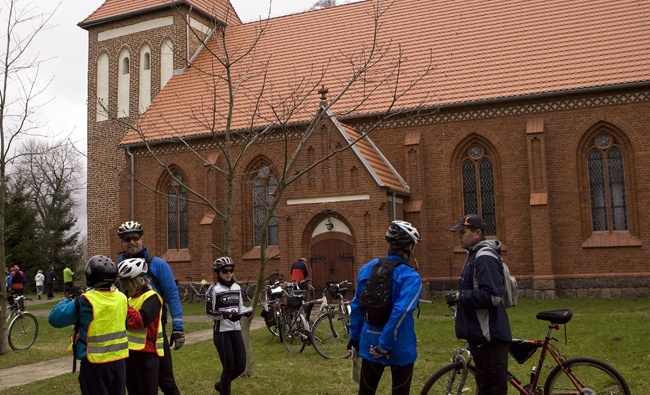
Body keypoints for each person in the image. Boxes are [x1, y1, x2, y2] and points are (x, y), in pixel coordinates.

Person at [347, 220, 422, 395]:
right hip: (398, 344)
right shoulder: (410, 276)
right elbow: (401, 312)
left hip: (369, 341)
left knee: (366, 391)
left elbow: (357, 305)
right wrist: (385, 345)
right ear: (410, 247)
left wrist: (355, 337)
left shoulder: (367, 269)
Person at [446, 214, 512, 395]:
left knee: (493, 389)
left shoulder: (484, 257)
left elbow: (492, 297)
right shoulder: (473, 256)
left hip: (489, 337)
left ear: (477, 233)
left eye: (463, 232)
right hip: (481, 336)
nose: (459, 236)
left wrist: (461, 295)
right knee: (486, 386)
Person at [117, 220, 184, 395]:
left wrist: (178, 327)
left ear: (142, 239)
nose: (132, 242)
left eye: (135, 238)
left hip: (155, 333)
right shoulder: (116, 267)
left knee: (166, 381)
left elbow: (171, 295)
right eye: (127, 239)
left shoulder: (158, 265)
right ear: (121, 242)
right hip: (129, 336)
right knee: (133, 385)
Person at [48, 255, 129, 395]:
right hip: (119, 362)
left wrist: (69, 300)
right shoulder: (122, 298)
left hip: (94, 364)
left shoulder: (85, 302)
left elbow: (54, 318)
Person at [205, 257, 253, 394]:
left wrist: (246, 312)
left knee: (240, 366)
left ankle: (221, 385)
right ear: (218, 272)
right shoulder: (213, 289)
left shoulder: (237, 287)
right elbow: (209, 312)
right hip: (221, 333)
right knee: (229, 366)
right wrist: (226, 315)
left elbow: (240, 307)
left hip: (236, 330)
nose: (228, 273)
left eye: (231, 270)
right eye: (225, 271)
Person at [118, 257, 164, 395]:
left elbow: (140, 322)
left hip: (147, 355)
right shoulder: (131, 299)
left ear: (135, 282)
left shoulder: (152, 298)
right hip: (129, 354)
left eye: (125, 284)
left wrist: (124, 306)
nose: (123, 288)